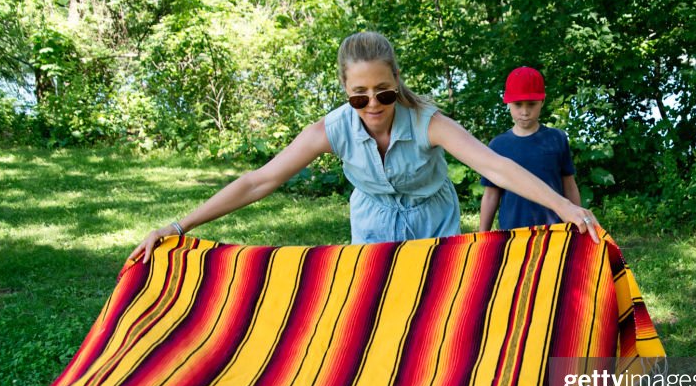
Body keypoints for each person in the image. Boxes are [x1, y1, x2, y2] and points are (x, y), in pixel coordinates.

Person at [130, 32, 599, 263]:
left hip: (433, 223)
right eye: (359, 95)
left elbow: (495, 166)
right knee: (380, 316)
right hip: (372, 224)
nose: (372, 105)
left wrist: (565, 207)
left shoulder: (429, 122)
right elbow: (260, 180)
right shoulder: (330, 131)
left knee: (436, 316)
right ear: (345, 90)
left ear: (397, 80)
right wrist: (177, 226)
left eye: (383, 92)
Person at [479, 67, 582, 232]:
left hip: (555, 232)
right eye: (518, 104)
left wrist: (579, 223)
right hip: (512, 235)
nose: (525, 112)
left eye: (531, 104)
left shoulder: (557, 138)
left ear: (542, 101)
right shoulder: (498, 145)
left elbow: (569, 185)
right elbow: (491, 195)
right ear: (508, 102)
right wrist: (482, 235)